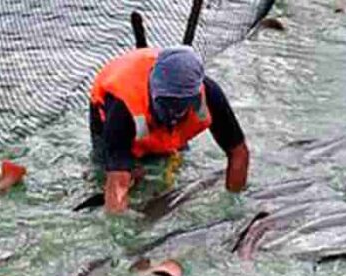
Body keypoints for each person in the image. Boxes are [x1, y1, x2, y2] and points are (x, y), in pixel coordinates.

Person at [89, 45, 250, 213]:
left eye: (182, 105)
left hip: (157, 123)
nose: (173, 113)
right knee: (113, 176)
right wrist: (119, 231)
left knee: (169, 165)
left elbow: (238, 152)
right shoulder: (122, 107)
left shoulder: (209, 94)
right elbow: (117, 182)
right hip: (113, 113)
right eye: (167, 104)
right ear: (153, 91)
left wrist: (233, 207)